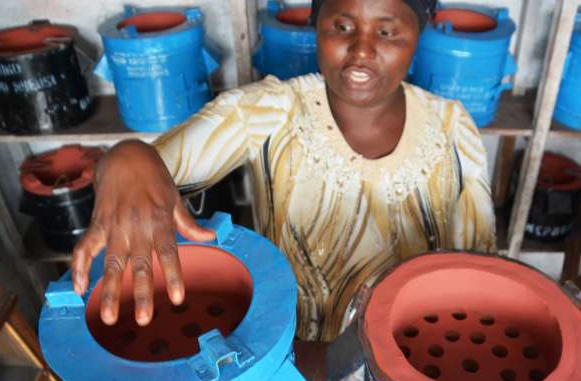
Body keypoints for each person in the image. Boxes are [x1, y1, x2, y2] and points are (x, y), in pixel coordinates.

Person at [72, 0, 496, 342]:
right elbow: (147, 171)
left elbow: (476, 268)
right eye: (342, 27)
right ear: (316, 25)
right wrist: (126, 158)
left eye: (387, 32)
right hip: (293, 355)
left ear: (417, 35)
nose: (362, 50)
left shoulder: (451, 128)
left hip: (411, 358)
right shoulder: (270, 112)